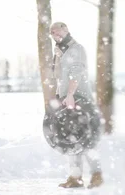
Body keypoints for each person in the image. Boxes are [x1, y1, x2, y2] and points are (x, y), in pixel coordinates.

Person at [50, 21, 103, 189]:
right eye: (53, 34)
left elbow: (76, 73)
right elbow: (60, 77)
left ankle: (97, 175)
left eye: (58, 33)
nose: (56, 37)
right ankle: (75, 178)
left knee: (86, 139)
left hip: (80, 100)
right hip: (66, 99)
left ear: (66, 31)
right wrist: (61, 96)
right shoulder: (60, 51)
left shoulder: (76, 49)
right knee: (71, 140)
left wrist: (71, 94)